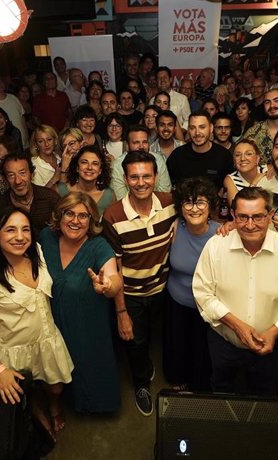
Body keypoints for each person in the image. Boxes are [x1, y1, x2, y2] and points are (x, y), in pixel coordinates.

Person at [0, 208, 73, 437]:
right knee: (23, 394)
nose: (20, 237)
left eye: (25, 230)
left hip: (46, 341)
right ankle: (38, 414)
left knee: (56, 386)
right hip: (12, 352)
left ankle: (53, 405)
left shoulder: (37, 255)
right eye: (10, 230)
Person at [193, 187, 278, 394]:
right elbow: (203, 293)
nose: (250, 225)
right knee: (221, 389)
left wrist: (274, 332)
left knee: (265, 395)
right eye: (243, 217)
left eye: (258, 217)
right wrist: (237, 326)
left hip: (269, 347)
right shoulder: (216, 247)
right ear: (233, 215)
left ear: (270, 215)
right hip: (223, 343)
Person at [102, 151, 177, 416]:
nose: (141, 182)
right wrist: (121, 312)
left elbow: (199, 215)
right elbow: (116, 269)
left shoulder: (170, 203)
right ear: (125, 179)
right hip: (131, 294)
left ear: (156, 178)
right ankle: (142, 383)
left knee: (164, 337)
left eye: (146, 176)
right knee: (135, 342)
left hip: (165, 289)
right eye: (134, 177)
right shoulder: (112, 216)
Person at [39, 193, 122, 413]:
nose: (75, 221)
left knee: (88, 366)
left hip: (87, 325)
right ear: (60, 215)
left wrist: (107, 287)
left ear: (92, 220)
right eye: (70, 213)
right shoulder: (46, 237)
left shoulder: (99, 246)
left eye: (83, 216)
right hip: (52, 323)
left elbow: (114, 278)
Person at [164, 178, 220, 391]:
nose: (194, 208)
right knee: (177, 348)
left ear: (210, 206)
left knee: (202, 352)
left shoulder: (221, 233)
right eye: (188, 202)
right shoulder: (176, 227)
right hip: (177, 301)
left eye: (201, 203)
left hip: (206, 306)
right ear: (180, 207)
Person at [0, 152, 61, 233]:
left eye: (22, 173)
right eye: (11, 175)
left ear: (31, 174)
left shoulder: (51, 198)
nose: (18, 181)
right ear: (5, 179)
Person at [167, 110, 234, 190]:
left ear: (211, 128)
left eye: (202, 127)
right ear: (188, 130)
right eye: (192, 128)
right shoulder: (177, 156)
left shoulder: (224, 156)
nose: (197, 133)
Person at [110, 125, 171, 199]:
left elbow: (164, 192)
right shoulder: (117, 165)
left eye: (145, 142)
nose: (141, 146)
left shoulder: (158, 159)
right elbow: (121, 197)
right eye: (136, 142)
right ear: (127, 145)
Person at [243, 88, 278, 166]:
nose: (272, 105)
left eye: (277, 100)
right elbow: (245, 164)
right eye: (267, 102)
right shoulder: (252, 133)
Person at [59, 145, 116, 215]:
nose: (89, 167)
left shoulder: (109, 195)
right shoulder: (61, 190)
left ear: (100, 170)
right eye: (84, 162)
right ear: (77, 167)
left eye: (95, 163)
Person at [223, 139, 265, 205]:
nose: (242, 159)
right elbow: (238, 208)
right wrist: (254, 184)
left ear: (257, 158)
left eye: (248, 154)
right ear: (234, 160)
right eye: (237, 155)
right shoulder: (230, 180)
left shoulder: (267, 170)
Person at [30, 125, 64, 189]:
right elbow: (38, 195)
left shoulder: (61, 157)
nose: (46, 144)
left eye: (49, 139)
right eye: (41, 141)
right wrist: (54, 178)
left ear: (55, 141)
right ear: (36, 144)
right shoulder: (33, 164)